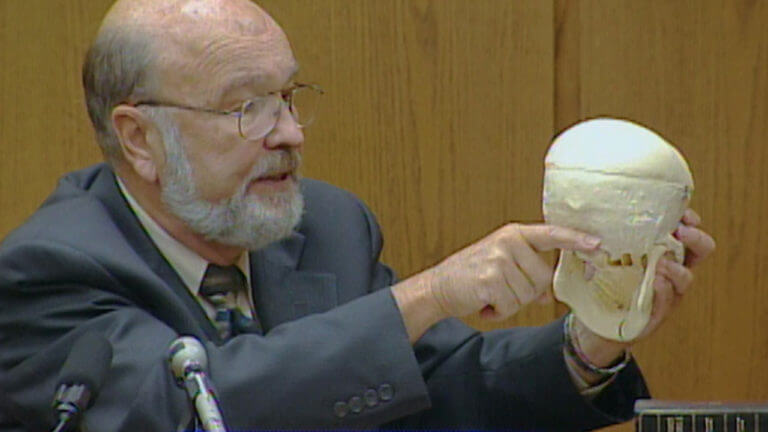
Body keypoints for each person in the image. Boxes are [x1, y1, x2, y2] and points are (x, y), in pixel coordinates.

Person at [0, 0, 715, 431]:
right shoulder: (48, 272)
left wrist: (588, 342)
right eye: (248, 107)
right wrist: (428, 296)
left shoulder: (324, 228)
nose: (289, 132)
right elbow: (192, 411)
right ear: (139, 137)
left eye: (288, 95)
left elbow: (426, 396)